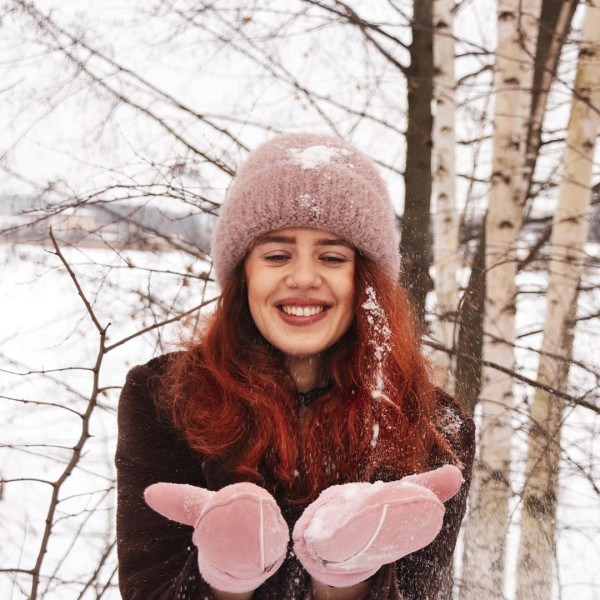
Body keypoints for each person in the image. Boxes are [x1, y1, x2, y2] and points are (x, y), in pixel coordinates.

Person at [115, 132, 476, 600]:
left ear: (364, 279)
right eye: (277, 255)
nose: (304, 277)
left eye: (332, 256)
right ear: (244, 273)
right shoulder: (163, 399)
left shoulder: (433, 424)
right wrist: (227, 578)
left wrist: (346, 575)